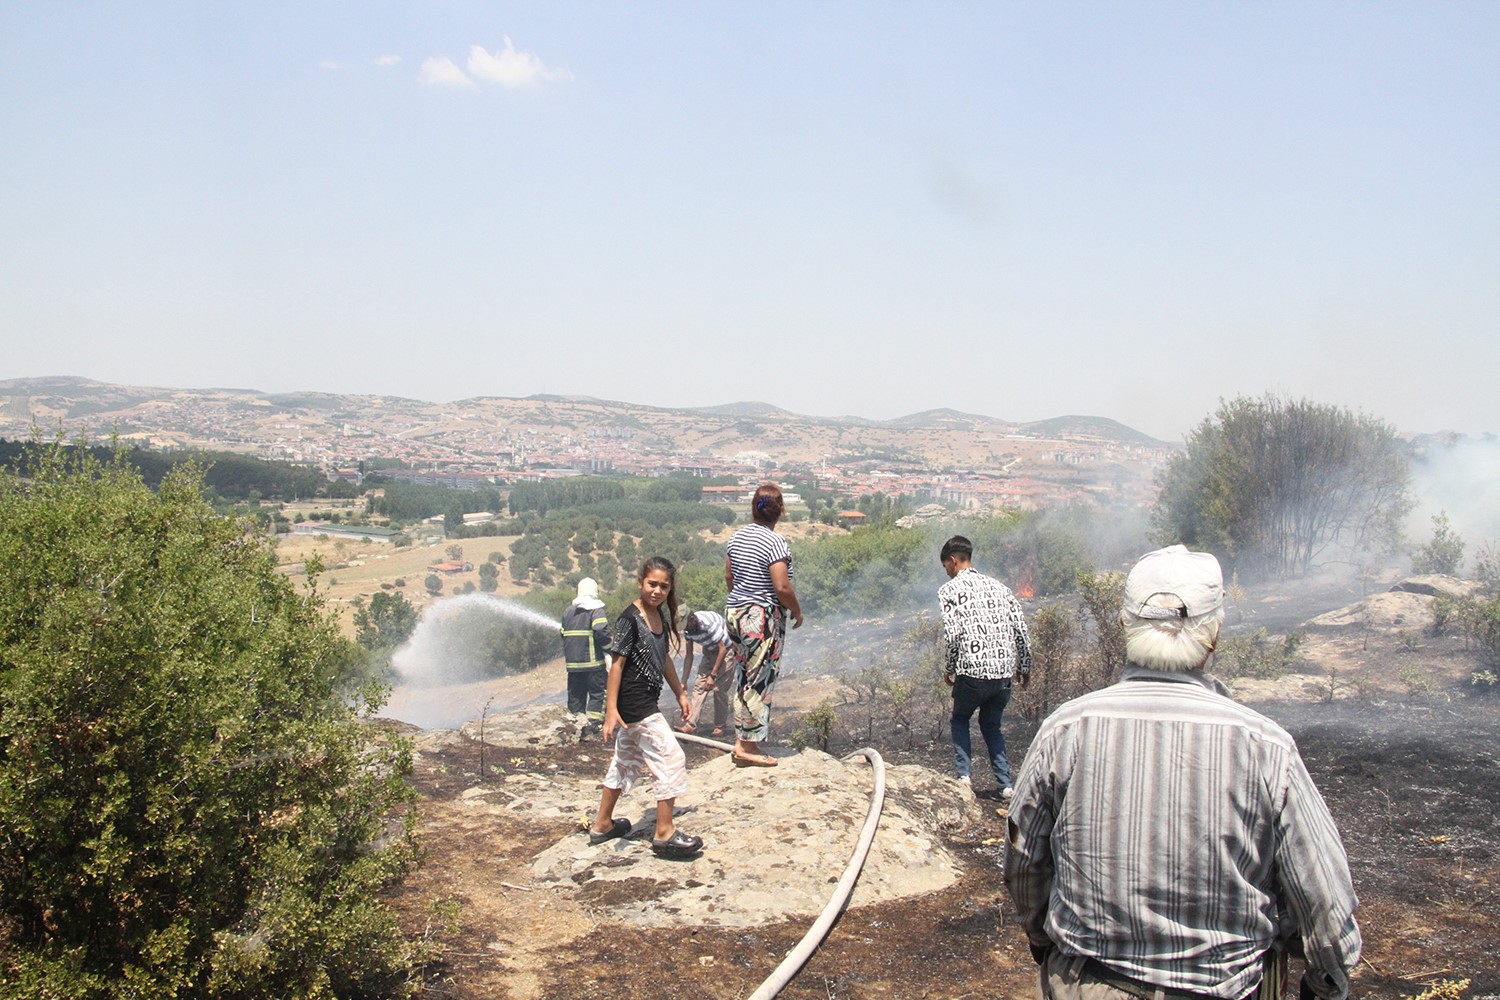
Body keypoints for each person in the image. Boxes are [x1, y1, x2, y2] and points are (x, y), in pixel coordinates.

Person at [1003, 545, 1361, 1000]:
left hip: (1088, 984)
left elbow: (1023, 861)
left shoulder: (1066, 730)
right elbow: (1325, 899)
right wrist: (1326, 982)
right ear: (1213, 633)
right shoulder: (1267, 746)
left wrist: (1040, 939)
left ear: (1124, 626)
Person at [586, 557, 704, 859]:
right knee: (671, 757)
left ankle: (602, 824)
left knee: (625, 761)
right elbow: (617, 665)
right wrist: (610, 710)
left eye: (664, 586)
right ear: (641, 583)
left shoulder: (659, 617)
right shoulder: (629, 618)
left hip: (643, 701)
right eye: (652, 584)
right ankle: (664, 833)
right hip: (635, 703)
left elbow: (663, 658)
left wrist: (680, 692)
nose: (657, 590)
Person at [937, 535, 1031, 798]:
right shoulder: (1001, 588)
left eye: (946, 566)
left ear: (953, 561)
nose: (946, 572)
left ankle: (964, 778)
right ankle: (1005, 785)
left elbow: (953, 634)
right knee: (991, 725)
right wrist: (1025, 666)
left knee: (960, 719)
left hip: (973, 671)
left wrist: (949, 667)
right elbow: (1021, 631)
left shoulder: (949, 591)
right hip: (1003, 674)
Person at [723, 483, 803, 768]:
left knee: (744, 675)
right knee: (759, 679)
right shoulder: (774, 542)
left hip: (735, 611)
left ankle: (741, 739)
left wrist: (742, 600)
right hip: (760, 616)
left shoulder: (736, 538)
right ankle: (748, 746)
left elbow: (730, 578)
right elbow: (781, 585)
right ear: (780, 510)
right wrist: (797, 610)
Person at [559, 577, 611, 733]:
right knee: (597, 694)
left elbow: (562, 633)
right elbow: (601, 631)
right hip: (593, 664)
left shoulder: (568, 611)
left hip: (573, 665)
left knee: (576, 696)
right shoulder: (596, 609)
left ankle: (576, 727)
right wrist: (609, 649)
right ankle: (593, 727)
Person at [679, 610, 731, 735]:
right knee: (699, 686)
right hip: (709, 651)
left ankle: (720, 726)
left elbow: (723, 649)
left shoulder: (708, 624)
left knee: (719, 689)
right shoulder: (687, 631)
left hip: (727, 651)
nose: (685, 629)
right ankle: (691, 725)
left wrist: (712, 675)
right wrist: (683, 681)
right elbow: (689, 655)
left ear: (692, 619)